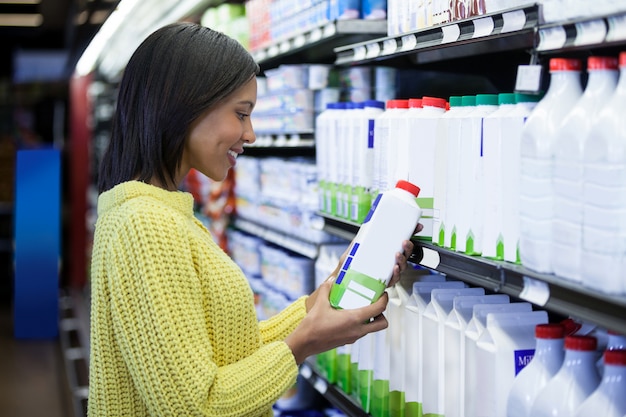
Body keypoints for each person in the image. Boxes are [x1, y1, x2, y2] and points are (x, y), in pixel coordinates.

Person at [88, 22, 419, 417]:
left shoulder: (156, 213)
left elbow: (223, 355)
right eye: (241, 114)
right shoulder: (145, 224)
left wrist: (320, 301)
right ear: (185, 104)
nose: (251, 134)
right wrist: (304, 344)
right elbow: (196, 407)